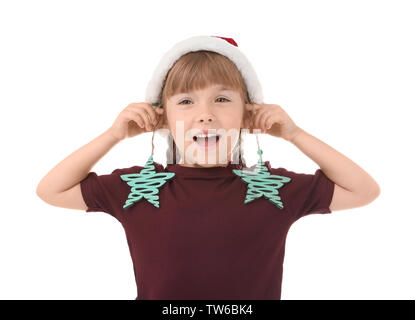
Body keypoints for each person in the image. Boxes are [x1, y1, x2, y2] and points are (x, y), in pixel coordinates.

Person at [36, 35, 381, 300]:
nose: (205, 114)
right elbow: (51, 190)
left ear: (247, 114)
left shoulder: (272, 187)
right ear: (162, 119)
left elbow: (364, 190)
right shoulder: (139, 186)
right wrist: (113, 135)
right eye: (186, 101)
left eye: (222, 99)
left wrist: (294, 133)